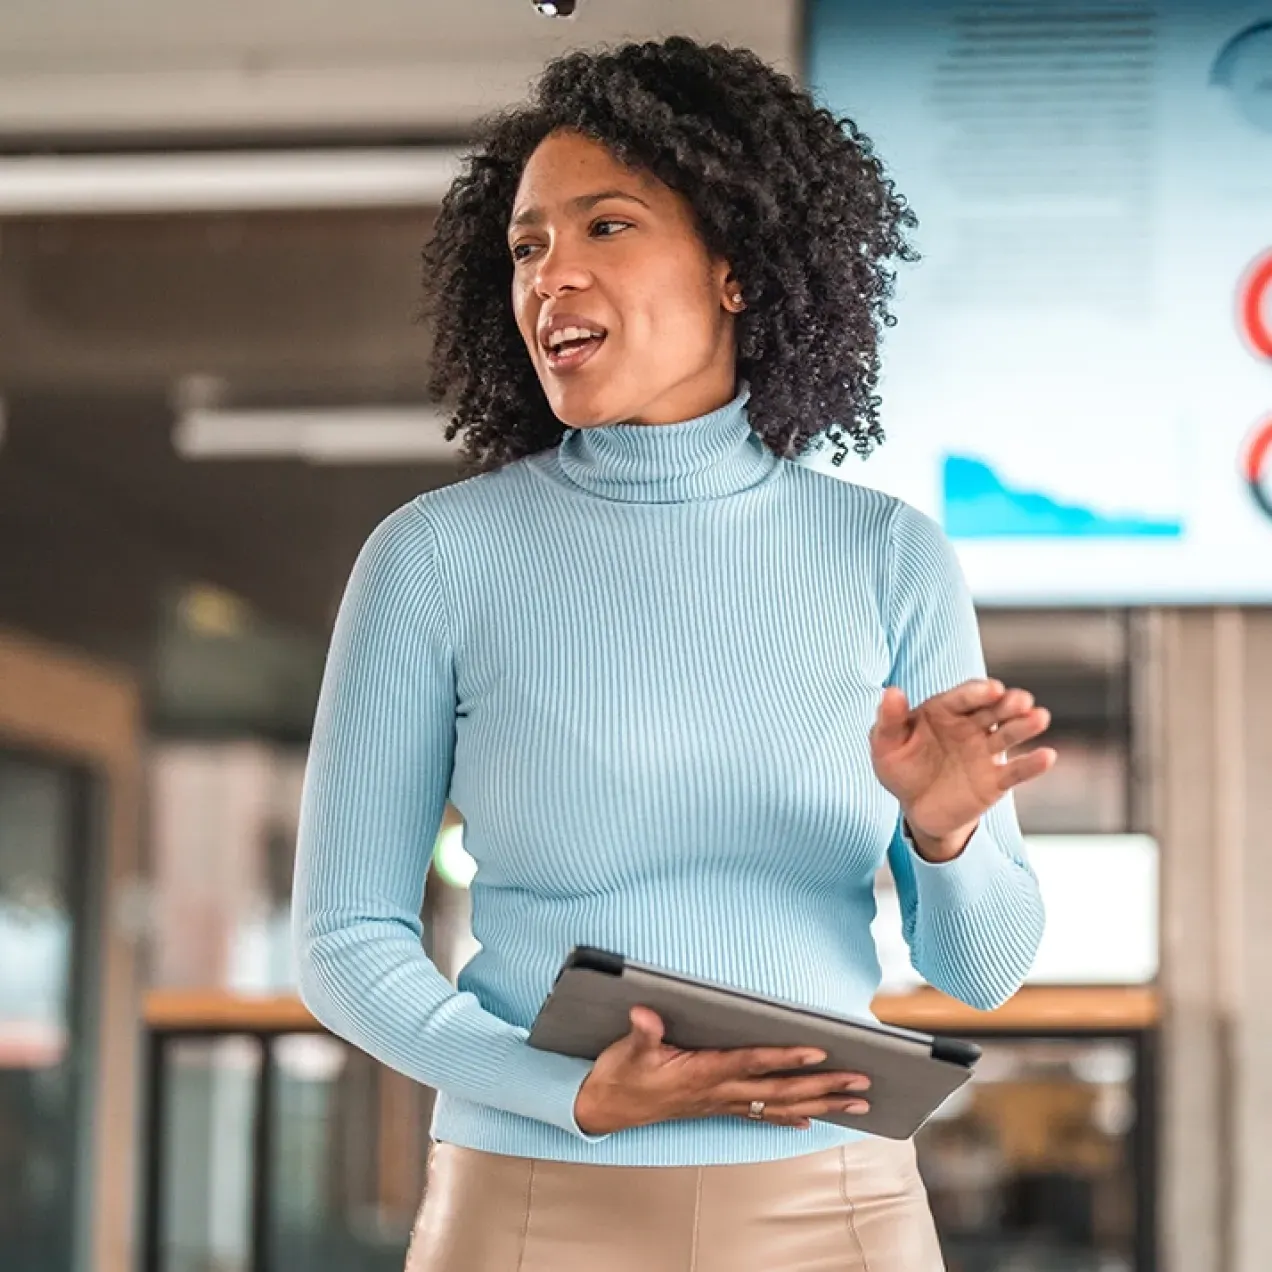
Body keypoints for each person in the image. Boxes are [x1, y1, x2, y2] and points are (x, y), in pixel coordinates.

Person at [291, 35, 1054, 1272]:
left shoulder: (886, 554)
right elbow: (343, 939)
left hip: (834, 1209)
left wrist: (947, 832)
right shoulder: (435, 558)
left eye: (605, 227)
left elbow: (984, 973)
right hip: (528, 1196)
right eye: (528, 245)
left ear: (736, 268)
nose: (550, 277)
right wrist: (565, 1093)